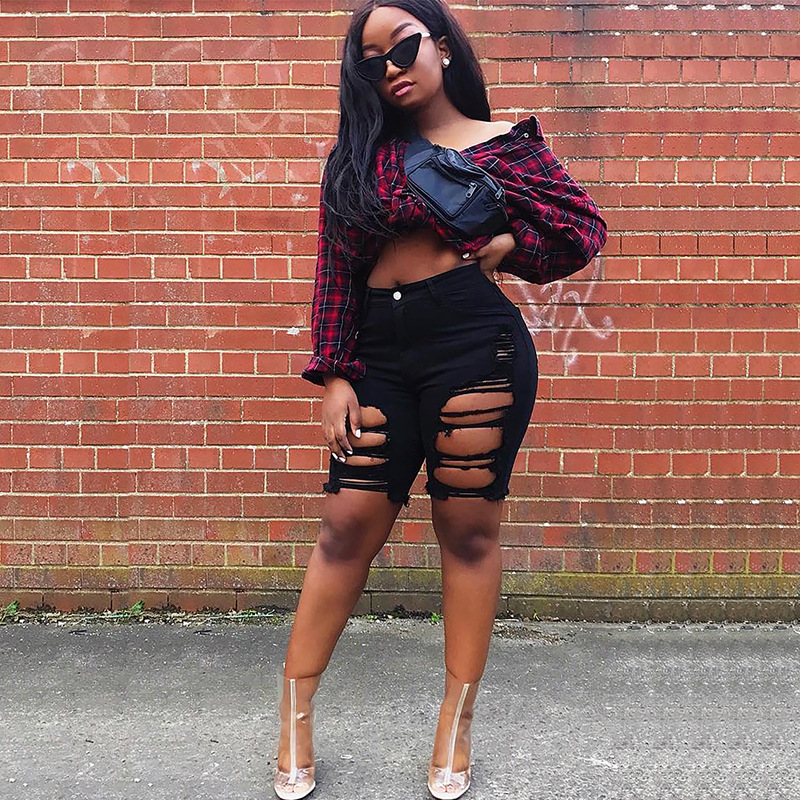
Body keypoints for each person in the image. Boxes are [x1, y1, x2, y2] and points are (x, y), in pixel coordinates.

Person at [274, 2, 608, 798]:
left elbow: (581, 229)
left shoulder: (505, 146)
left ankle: (456, 724)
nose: (389, 68)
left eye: (403, 47)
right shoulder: (359, 157)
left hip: (474, 344)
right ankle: (293, 713)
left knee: (468, 532)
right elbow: (335, 268)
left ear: (445, 47)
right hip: (379, 355)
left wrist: (510, 244)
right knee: (346, 526)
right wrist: (335, 373)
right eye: (371, 61)